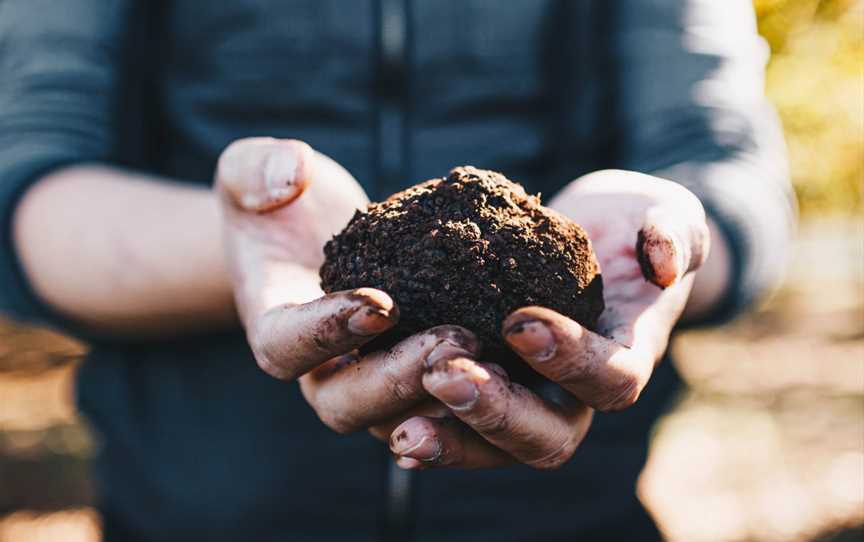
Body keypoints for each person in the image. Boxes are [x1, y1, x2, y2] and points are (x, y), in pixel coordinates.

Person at [0, 0, 795, 540]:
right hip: (193, 512)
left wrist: (658, 243)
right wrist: (249, 246)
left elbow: (725, 163)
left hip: (569, 518)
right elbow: (31, 179)